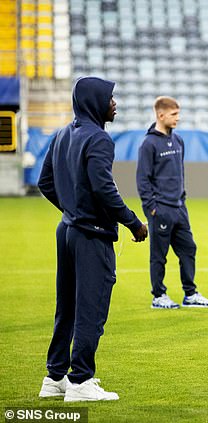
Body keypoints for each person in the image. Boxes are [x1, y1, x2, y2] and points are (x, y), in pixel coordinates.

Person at [37, 76, 148, 401]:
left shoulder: (61, 135)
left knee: (67, 307)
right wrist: (132, 223)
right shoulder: (99, 139)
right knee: (91, 308)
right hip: (90, 236)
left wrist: (71, 208)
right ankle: (80, 381)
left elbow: (46, 182)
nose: (114, 103)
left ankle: (55, 377)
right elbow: (103, 189)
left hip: (67, 230)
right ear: (95, 102)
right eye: (110, 98)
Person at [136, 96, 208, 309]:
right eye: (174, 114)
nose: (177, 118)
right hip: (160, 210)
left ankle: (190, 294)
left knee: (189, 249)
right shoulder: (149, 143)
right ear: (160, 115)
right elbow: (143, 179)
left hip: (180, 208)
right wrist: (151, 209)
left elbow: (179, 172)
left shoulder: (178, 140)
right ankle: (158, 296)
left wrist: (182, 198)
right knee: (159, 255)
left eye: (178, 114)